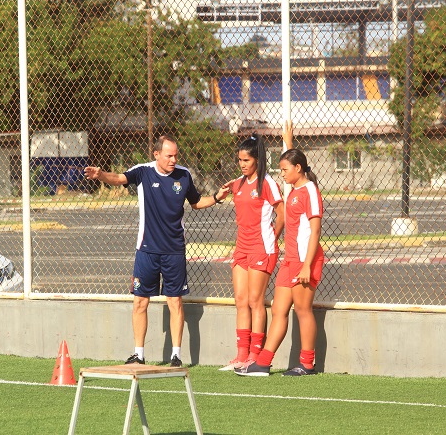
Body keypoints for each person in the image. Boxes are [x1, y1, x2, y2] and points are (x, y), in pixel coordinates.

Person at [84, 135, 229, 367]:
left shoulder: (184, 174)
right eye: (169, 155)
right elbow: (119, 178)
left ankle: (176, 356)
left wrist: (216, 198)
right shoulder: (143, 172)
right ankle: (139, 354)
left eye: (175, 155)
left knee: (175, 303)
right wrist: (101, 175)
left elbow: (196, 202)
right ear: (157, 155)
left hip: (174, 251)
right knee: (140, 302)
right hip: (147, 251)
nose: (173, 160)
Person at [236, 147, 323, 376]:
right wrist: (287, 139)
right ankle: (263, 363)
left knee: (303, 310)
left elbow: (315, 232)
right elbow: (291, 156)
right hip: (289, 259)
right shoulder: (293, 189)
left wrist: (306, 266)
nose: (282, 173)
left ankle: (307, 364)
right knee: (278, 308)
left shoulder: (310, 191)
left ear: (298, 168)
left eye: (285, 169)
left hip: (305, 260)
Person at [219, 135, 284, 371]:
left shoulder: (267, 183)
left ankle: (255, 357)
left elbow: (281, 213)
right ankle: (241, 354)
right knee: (241, 301)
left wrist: (271, 239)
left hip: (261, 248)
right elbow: (224, 194)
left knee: (256, 301)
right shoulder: (237, 183)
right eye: (239, 160)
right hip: (242, 248)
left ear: (257, 159)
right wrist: (219, 193)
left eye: (247, 160)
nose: (243, 164)